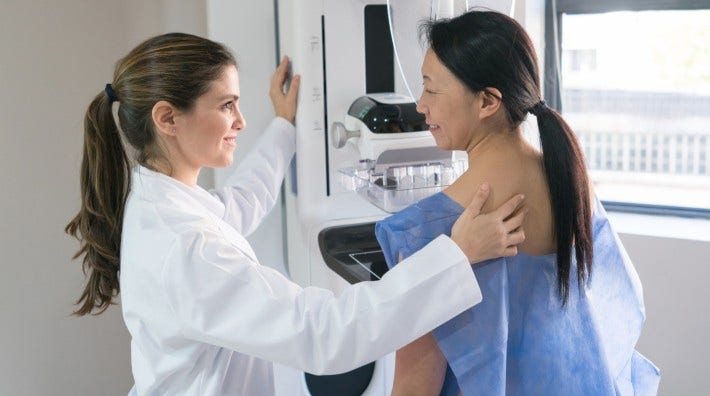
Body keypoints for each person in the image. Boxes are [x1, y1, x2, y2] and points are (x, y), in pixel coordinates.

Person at [64, 32, 529, 395]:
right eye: (227, 106)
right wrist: (456, 255)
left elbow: (237, 206)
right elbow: (322, 333)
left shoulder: (160, 203)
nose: (241, 122)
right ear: (168, 118)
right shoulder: (186, 247)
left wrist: (284, 128)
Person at [375, 10, 661, 396]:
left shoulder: (424, 232)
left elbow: (414, 388)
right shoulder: (572, 188)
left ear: (488, 101)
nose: (420, 104)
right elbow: (616, 319)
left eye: (430, 88)